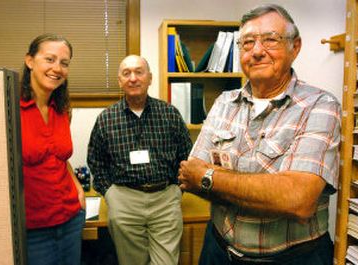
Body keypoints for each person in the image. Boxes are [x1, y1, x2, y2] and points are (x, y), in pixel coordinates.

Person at [178, 4, 341, 265]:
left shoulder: (320, 105)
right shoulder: (223, 102)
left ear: (295, 47)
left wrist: (210, 176)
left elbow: (298, 200)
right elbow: (190, 175)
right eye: (247, 43)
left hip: (294, 258)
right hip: (218, 251)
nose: (256, 51)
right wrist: (267, 187)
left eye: (270, 40)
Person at [87, 55, 192, 265]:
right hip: (124, 201)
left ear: (150, 78)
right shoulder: (106, 119)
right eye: (126, 73)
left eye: (139, 72)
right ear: (120, 81)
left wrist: (176, 190)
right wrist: (111, 194)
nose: (133, 78)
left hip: (165, 198)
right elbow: (96, 162)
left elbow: (187, 156)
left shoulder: (170, 114)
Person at [20, 33, 86, 265]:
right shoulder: (8, 108)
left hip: (70, 219)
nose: (57, 68)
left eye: (64, 63)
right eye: (50, 59)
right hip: (33, 229)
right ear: (30, 61)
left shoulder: (62, 109)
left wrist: (77, 187)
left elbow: (58, 157)